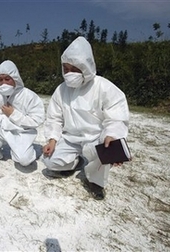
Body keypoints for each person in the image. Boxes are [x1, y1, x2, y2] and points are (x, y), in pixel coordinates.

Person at [42, 36, 130, 200]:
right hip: (70, 139)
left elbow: (116, 115)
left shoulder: (102, 86)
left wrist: (112, 135)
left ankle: (95, 182)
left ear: (86, 67)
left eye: (74, 69)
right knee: (49, 161)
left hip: (95, 138)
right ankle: (77, 163)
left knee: (102, 151)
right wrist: (52, 139)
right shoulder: (61, 90)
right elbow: (54, 117)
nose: (69, 74)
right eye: (66, 69)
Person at [0, 60, 45, 167]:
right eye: (0, 80)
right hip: (1, 129)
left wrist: (13, 114)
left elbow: (37, 119)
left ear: (15, 78)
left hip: (22, 132)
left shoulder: (28, 95)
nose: (4, 83)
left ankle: (29, 150)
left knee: (24, 161)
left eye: (7, 79)